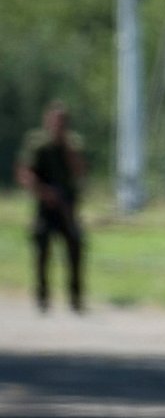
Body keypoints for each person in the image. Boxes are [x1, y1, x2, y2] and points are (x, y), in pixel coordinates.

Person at [16, 102, 87, 314]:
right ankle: (42, 297)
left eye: (62, 122)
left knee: (75, 247)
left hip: (67, 206)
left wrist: (67, 149)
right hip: (46, 206)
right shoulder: (37, 144)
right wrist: (44, 192)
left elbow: (80, 171)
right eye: (55, 121)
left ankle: (75, 298)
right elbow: (25, 173)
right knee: (42, 250)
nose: (58, 125)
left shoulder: (73, 144)